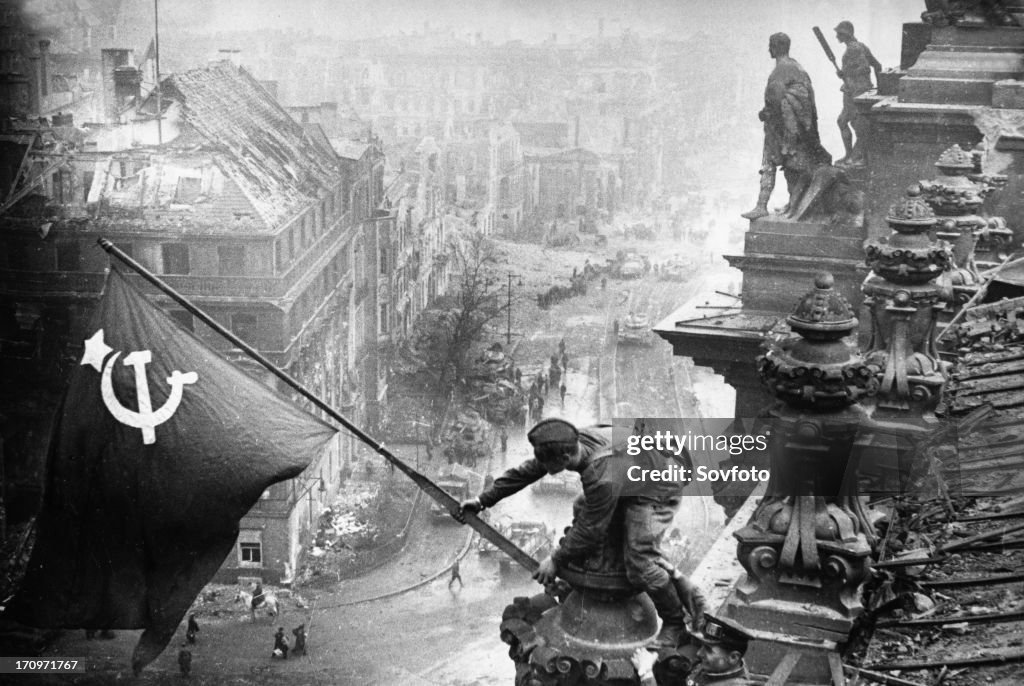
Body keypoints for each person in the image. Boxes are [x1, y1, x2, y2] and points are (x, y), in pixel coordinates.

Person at [456, 418, 691, 648]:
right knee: (582, 506)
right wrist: (481, 501)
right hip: (632, 469)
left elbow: (591, 529)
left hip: (658, 485)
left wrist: (556, 559)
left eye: (549, 466)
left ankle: (675, 624)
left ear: (566, 458)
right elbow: (526, 472)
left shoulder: (600, 477)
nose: (546, 471)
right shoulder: (567, 442)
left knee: (640, 563)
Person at [742, 32, 832, 220]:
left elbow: (774, 100)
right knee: (792, 166)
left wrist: (763, 114)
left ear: (775, 47)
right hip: (799, 128)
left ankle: (761, 206)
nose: (768, 49)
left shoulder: (780, 70)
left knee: (771, 164)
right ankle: (794, 204)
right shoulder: (797, 67)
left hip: (781, 128)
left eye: (770, 45)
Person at [834, 21, 882, 166]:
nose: (836, 36)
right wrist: (880, 87)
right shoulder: (860, 46)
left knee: (856, 125)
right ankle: (851, 155)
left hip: (855, 92)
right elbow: (877, 65)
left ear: (845, 34)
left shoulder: (853, 49)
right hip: (856, 90)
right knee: (847, 122)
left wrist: (845, 73)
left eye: (839, 33)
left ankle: (859, 157)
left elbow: (865, 68)